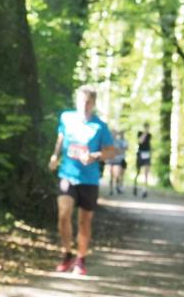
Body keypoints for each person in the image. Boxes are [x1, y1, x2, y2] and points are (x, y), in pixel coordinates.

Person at [48, 85, 115, 276]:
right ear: (76, 101)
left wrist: (95, 156)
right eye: (81, 101)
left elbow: (111, 151)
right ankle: (67, 253)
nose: (84, 105)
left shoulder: (100, 126)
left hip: (89, 179)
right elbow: (61, 138)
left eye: (88, 102)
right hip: (67, 175)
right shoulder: (66, 118)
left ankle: (81, 259)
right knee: (64, 214)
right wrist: (55, 156)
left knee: (85, 222)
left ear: (93, 103)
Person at [134, 122, 152, 197]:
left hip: (147, 154)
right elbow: (140, 141)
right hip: (140, 154)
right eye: (146, 127)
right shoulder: (140, 133)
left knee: (146, 172)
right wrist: (144, 133)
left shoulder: (150, 135)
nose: (147, 129)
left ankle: (145, 189)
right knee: (138, 172)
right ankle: (135, 185)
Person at [108, 128, 128, 194]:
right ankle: (111, 190)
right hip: (110, 161)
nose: (113, 134)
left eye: (114, 133)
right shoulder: (109, 141)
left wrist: (116, 151)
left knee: (117, 175)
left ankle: (117, 187)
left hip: (118, 161)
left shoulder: (119, 141)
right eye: (112, 133)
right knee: (111, 176)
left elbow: (123, 149)